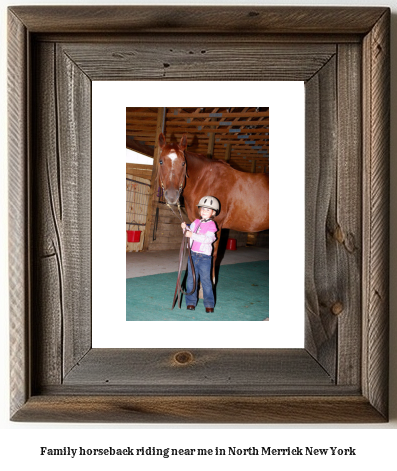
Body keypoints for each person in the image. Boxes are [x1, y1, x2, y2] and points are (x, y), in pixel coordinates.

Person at [181, 196, 219, 313]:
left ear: (213, 212)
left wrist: (192, 235)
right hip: (192, 255)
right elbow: (189, 233)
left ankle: (209, 304)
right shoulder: (196, 222)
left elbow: (208, 239)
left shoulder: (212, 225)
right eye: (203, 209)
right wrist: (185, 228)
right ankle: (191, 303)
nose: (204, 211)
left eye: (208, 210)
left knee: (206, 281)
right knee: (191, 280)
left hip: (204, 258)